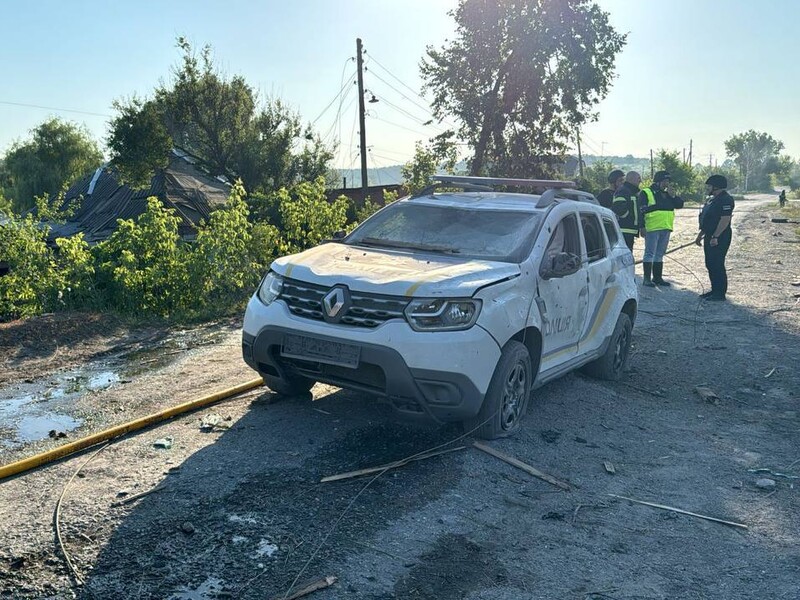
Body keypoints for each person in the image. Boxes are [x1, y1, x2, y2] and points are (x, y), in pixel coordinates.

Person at [639, 170, 684, 287]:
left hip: (666, 227)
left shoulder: (668, 193)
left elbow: (680, 205)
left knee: (660, 254)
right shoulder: (646, 192)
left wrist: (673, 196)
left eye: (668, 181)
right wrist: (641, 226)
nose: (667, 184)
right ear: (658, 181)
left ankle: (657, 278)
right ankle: (647, 279)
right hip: (652, 227)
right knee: (649, 253)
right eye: (665, 181)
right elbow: (641, 211)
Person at [695, 174, 735, 301]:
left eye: (710, 186)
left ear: (717, 186)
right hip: (710, 235)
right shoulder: (712, 199)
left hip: (720, 236)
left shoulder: (726, 199)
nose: (708, 188)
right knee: (710, 263)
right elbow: (707, 219)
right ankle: (714, 290)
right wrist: (700, 235)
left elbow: (725, 220)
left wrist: (715, 236)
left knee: (717, 263)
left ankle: (720, 293)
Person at [612, 171, 642, 251]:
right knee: (625, 255)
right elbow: (617, 207)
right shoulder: (624, 190)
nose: (640, 181)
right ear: (631, 179)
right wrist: (628, 218)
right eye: (638, 178)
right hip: (624, 230)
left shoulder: (631, 191)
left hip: (629, 230)